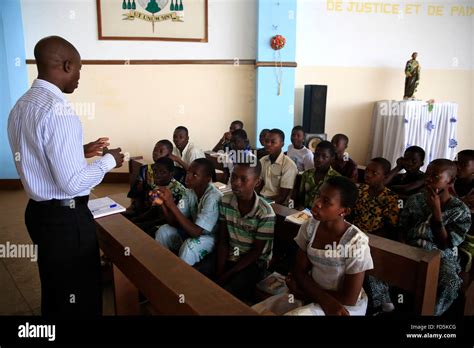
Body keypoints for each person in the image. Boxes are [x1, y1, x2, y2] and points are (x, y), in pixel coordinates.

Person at [7, 36, 124, 316]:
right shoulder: (60, 112)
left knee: (55, 285)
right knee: (80, 294)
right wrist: (110, 161)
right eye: (80, 69)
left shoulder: (20, 107)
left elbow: (36, 155)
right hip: (66, 221)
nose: (80, 76)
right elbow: (72, 183)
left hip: (37, 213)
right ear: (68, 65)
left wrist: (78, 150)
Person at [255, 176, 374, 315]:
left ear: (344, 211)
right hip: (311, 291)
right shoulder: (310, 226)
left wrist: (313, 296)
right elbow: (299, 270)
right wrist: (308, 294)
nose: (317, 203)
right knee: (261, 310)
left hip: (341, 304)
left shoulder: (356, 242)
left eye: (326, 201)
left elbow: (350, 297)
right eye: (318, 196)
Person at [399, 159, 471, 315]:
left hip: (440, 254)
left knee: (449, 283)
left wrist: (437, 213)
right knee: (376, 265)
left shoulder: (460, 210)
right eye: (427, 174)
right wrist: (402, 248)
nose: (429, 179)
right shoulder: (416, 199)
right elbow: (402, 228)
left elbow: (445, 244)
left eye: (435, 176)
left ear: (450, 180)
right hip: (411, 248)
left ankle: (431, 314)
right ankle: (385, 306)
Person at [215, 162, 275, 301]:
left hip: (254, 262)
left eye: (243, 179)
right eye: (233, 177)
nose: (236, 183)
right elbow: (223, 241)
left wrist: (227, 274)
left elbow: (256, 252)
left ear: (257, 182)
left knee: (228, 292)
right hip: (231, 254)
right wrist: (220, 270)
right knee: (201, 274)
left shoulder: (265, 213)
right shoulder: (225, 201)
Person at [155, 159, 223, 266]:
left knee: (189, 247)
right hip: (193, 231)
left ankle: (181, 279)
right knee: (163, 231)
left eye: (194, 175)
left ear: (207, 179)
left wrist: (172, 204)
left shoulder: (213, 197)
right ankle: (162, 267)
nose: (188, 177)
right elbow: (173, 222)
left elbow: (196, 232)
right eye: (188, 172)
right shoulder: (189, 192)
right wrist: (163, 203)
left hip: (211, 238)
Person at [130, 157, 186, 237]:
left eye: (162, 172)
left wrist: (145, 224)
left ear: (171, 174)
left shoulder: (178, 190)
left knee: (142, 230)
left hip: (170, 222)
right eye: (155, 171)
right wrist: (137, 219)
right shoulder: (158, 183)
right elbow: (154, 209)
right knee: (132, 222)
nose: (157, 175)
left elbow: (170, 217)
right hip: (157, 215)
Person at [126, 139, 180, 217]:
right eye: (155, 150)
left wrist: (151, 186)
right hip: (144, 205)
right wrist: (142, 185)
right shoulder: (145, 169)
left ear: (169, 155)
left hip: (162, 210)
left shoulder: (173, 172)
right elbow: (136, 192)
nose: (156, 153)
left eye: (160, 151)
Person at [349, 157, 400, 237]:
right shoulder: (360, 189)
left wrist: (368, 238)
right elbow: (350, 214)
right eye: (367, 170)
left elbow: (389, 228)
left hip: (374, 238)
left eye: (374, 173)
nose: (368, 175)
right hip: (353, 233)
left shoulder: (392, 198)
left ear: (385, 177)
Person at [258, 128, 298, 205]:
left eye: (273, 142)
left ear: (282, 144)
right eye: (266, 141)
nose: (268, 144)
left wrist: (264, 206)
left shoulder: (289, 165)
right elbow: (258, 185)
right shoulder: (263, 160)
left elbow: (282, 197)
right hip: (262, 199)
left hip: (277, 204)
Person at [299, 141, 340, 209]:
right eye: (316, 155)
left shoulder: (336, 179)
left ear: (332, 158)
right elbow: (300, 198)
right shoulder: (306, 174)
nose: (319, 159)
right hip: (304, 214)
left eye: (324, 156)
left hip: (324, 216)